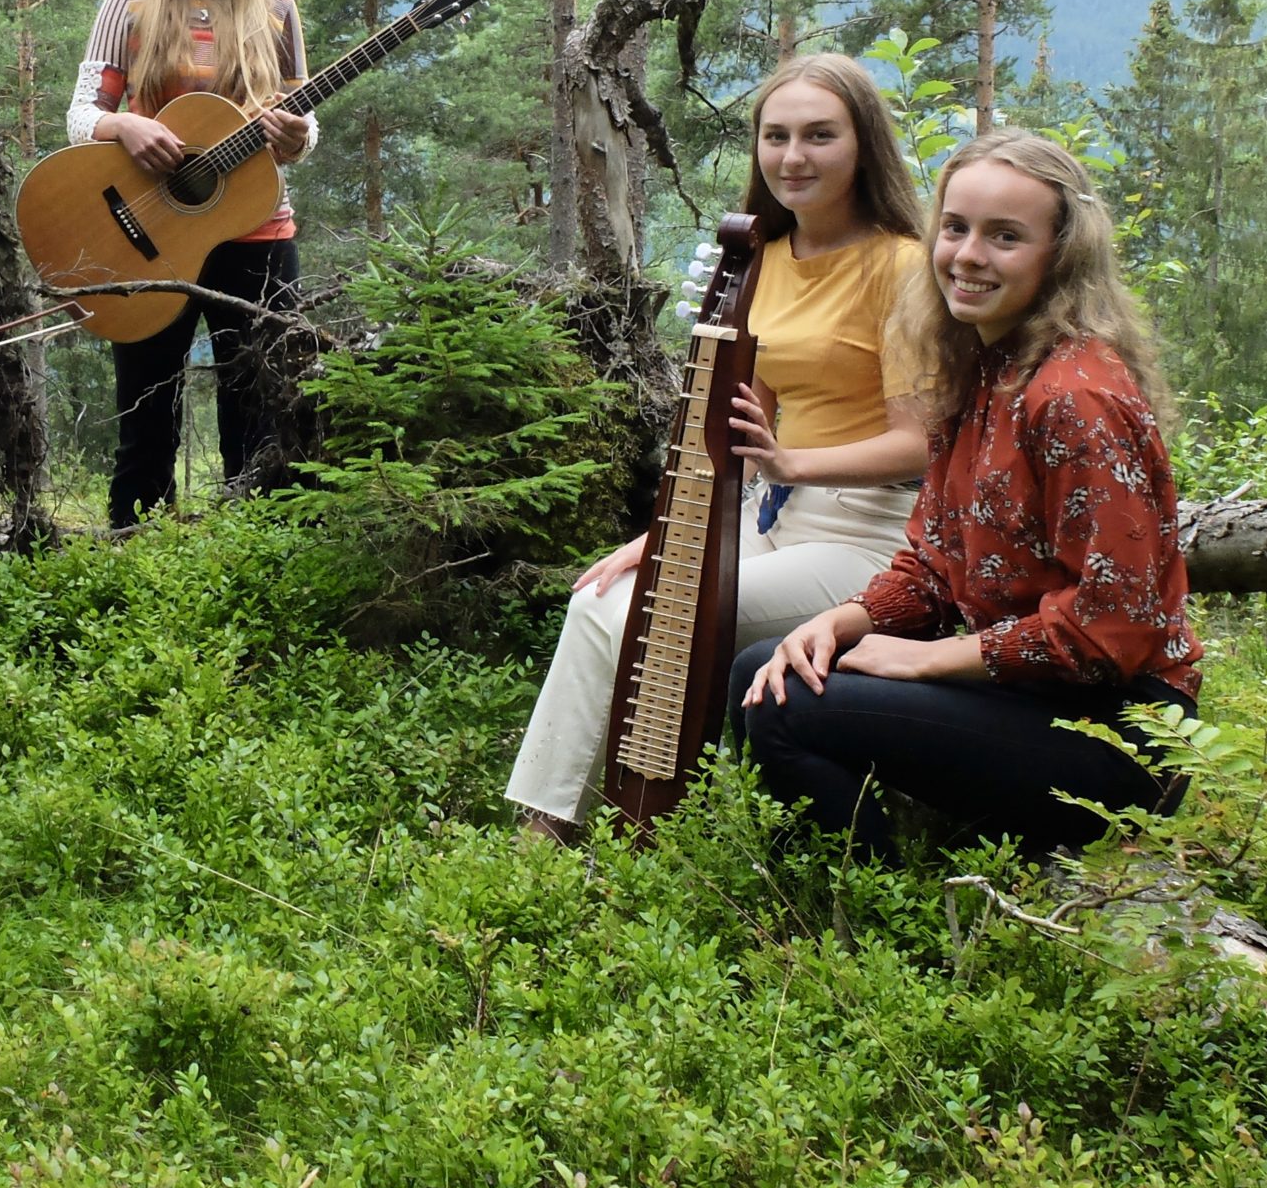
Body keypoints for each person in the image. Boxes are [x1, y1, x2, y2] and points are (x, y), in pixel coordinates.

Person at [733, 130, 1202, 855]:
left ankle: (878, 918)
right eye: (955, 228)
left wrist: (925, 659)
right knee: (764, 668)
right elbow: (932, 561)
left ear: (1060, 254)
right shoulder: (981, 371)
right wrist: (847, 622)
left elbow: (1111, 629)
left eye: (1005, 236)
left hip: (1120, 735)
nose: (968, 255)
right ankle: (877, 877)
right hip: (1029, 699)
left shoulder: (1074, 397)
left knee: (785, 707)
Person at [506, 54, 930, 842]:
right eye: (776, 136)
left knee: (638, 615)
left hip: (869, 539)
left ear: (864, 146)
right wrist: (667, 535)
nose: (793, 156)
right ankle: (566, 817)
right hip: (772, 517)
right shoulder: (762, 257)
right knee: (601, 596)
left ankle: (564, 833)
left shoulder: (902, 266)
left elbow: (920, 446)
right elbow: (735, 438)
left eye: (818, 136)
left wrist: (792, 463)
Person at [68, 0, 316, 528]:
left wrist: (297, 136)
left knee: (262, 406)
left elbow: (302, 118)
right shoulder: (129, 4)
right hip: (146, 233)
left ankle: (253, 550)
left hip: (258, 232)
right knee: (145, 410)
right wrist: (125, 129)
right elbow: (80, 114)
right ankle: (134, 546)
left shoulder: (274, 7)